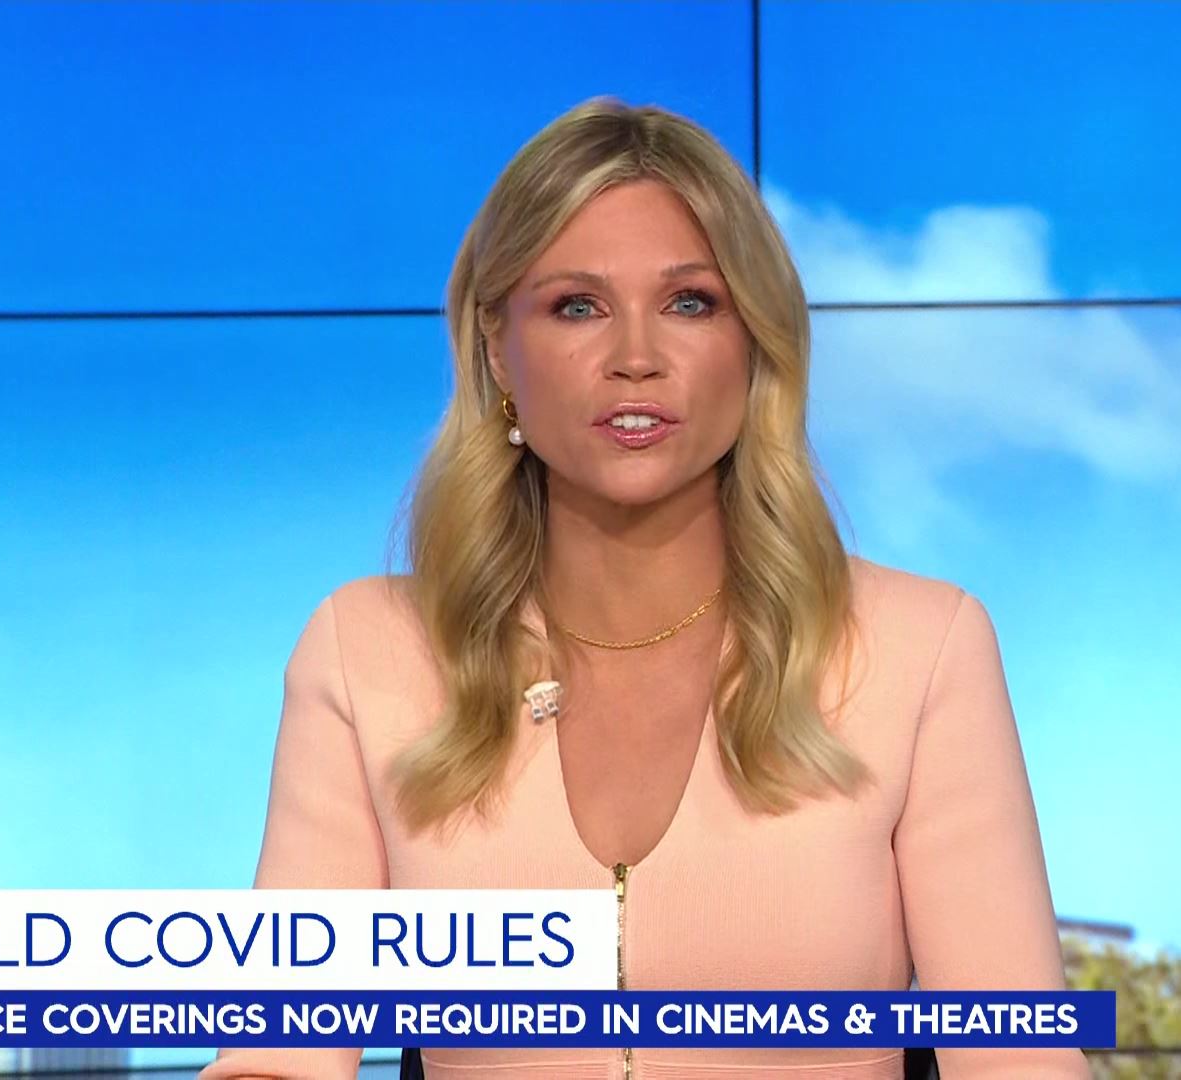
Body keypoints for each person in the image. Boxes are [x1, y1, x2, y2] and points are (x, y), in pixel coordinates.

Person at [200, 96, 1088, 1079]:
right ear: (497, 347)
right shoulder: (366, 650)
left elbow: (1021, 1063)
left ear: (754, 341)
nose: (635, 358)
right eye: (577, 306)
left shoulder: (919, 646)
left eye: (689, 303)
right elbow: (275, 1055)